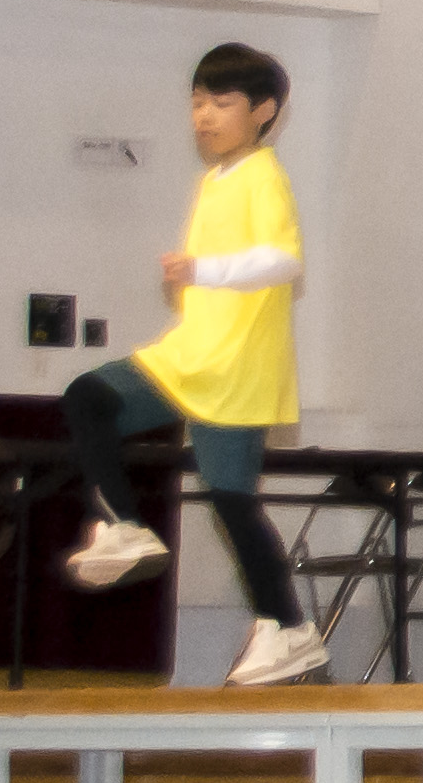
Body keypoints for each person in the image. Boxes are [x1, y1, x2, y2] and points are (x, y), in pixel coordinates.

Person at [59, 42, 327, 689]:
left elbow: (284, 259)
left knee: (233, 504)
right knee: (90, 397)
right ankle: (129, 527)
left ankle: (288, 628)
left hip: (233, 367)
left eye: (222, 102)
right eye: (197, 102)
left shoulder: (263, 174)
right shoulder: (215, 181)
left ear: (263, 111)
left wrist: (201, 270)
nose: (204, 115)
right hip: (192, 355)